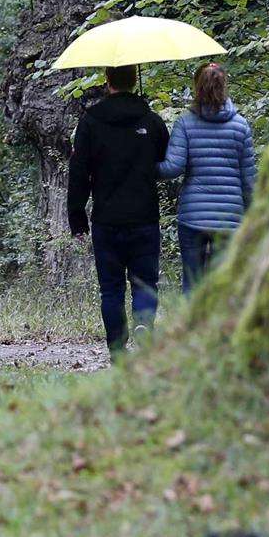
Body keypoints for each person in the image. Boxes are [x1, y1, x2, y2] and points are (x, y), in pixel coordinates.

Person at [66, 63, 169, 353]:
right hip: (144, 216)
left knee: (111, 289)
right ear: (134, 80)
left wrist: (77, 218)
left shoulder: (89, 122)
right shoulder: (151, 121)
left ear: (107, 80)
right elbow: (164, 160)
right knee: (145, 283)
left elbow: (79, 172)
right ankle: (144, 327)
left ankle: (117, 350)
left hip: (106, 219)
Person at [158, 61, 257, 292]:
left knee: (192, 283)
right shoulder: (241, 126)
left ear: (197, 87)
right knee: (223, 285)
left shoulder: (185, 123)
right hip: (229, 218)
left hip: (193, 216)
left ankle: (190, 328)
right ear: (224, 86)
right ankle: (220, 328)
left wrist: (146, 166)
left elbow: (173, 168)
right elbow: (249, 181)